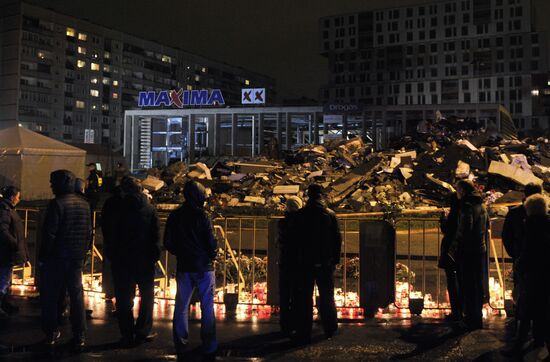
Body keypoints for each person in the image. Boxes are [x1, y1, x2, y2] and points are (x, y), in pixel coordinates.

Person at [164, 180, 217, 359]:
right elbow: (210, 241)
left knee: (181, 306)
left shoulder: (175, 215)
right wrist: (212, 254)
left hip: (184, 266)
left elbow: (168, 242)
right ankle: (209, 344)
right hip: (204, 266)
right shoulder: (203, 216)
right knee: (207, 306)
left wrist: (181, 252)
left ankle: (181, 342)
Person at [39, 170, 91, 352]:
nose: (51, 186)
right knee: (76, 296)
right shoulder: (84, 204)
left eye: (53, 183)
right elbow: (88, 233)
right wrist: (84, 253)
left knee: (51, 296)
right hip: (76, 257)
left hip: (57, 257)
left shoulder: (57, 204)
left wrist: (44, 257)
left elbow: (50, 234)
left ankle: (51, 332)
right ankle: (80, 334)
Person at [108, 176, 160, 347]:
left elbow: (112, 233)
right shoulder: (149, 209)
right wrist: (154, 254)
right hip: (144, 258)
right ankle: (143, 330)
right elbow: (155, 235)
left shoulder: (117, 208)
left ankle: (127, 332)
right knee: (147, 296)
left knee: (123, 298)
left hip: (122, 259)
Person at [294, 183, 341, 342]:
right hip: (325, 262)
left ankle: (304, 328)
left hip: (305, 262)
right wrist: (335, 259)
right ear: (321, 195)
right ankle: (330, 327)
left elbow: (296, 239)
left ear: (308, 195)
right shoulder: (329, 214)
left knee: (305, 296)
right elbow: (337, 239)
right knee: (327, 296)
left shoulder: (300, 215)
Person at [501, 183, 543, 349]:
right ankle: (538, 337)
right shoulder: (542, 217)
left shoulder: (516, 214)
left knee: (523, 300)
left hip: (523, 264)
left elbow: (507, 236)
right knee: (539, 302)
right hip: (538, 267)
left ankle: (521, 337)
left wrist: (515, 254)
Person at [449, 179, 488, 331]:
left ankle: (470, 318)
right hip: (479, 249)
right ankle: (477, 317)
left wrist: (454, 248)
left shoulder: (467, 206)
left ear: (462, 191)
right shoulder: (481, 204)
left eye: (458, 191)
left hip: (468, 251)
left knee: (468, 285)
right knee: (477, 285)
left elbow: (464, 229)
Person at [519, 194, 550, 354]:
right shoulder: (547, 224)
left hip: (533, 274)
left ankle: (519, 345)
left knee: (526, 311)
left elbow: (528, 251)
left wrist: (520, 266)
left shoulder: (532, 226)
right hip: (545, 274)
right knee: (543, 310)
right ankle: (539, 340)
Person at [0, 186, 28, 318]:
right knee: (4, 279)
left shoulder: (7, 209)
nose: (19, 199)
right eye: (18, 196)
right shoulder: (5, 210)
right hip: (6, 252)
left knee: (6, 278)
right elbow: (3, 231)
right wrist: (14, 243)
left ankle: (5, 304)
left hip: (7, 251)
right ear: (12, 197)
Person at [278, 195, 303, 336]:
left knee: (284, 294)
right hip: (299, 262)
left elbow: (281, 241)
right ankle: (297, 323)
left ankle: (285, 324)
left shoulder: (282, 223)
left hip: (285, 262)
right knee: (297, 294)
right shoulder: (304, 223)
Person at [438, 192, 461, 321]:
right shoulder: (464, 211)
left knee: (452, 281)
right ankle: (461, 310)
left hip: (451, 251)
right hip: (461, 252)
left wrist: (443, 218)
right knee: (460, 281)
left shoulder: (455, 214)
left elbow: (447, 229)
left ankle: (456, 311)